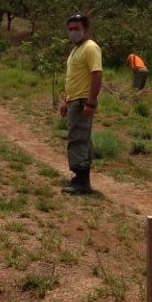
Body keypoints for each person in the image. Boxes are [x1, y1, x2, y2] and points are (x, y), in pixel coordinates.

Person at [59, 13, 103, 195]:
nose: (73, 32)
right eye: (70, 29)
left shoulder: (90, 48)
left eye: (76, 29)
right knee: (78, 138)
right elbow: (74, 78)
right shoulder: (76, 50)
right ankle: (79, 177)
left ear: (86, 29)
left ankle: (82, 182)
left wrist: (90, 103)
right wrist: (65, 100)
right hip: (74, 100)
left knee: (79, 139)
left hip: (82, 100)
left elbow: (97, 75)